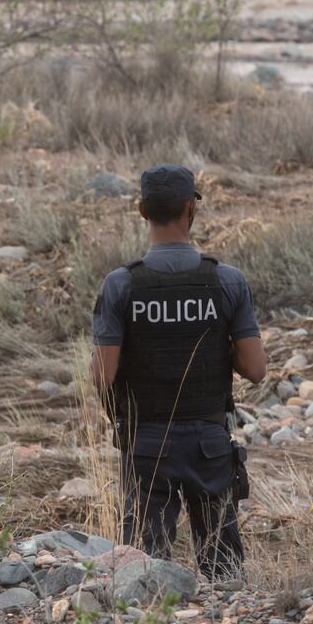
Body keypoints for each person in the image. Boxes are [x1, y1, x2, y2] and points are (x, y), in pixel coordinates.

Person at [90, 164, 266, 581]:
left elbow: (101, 376)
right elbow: (255, 369)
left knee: (144, 576)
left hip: (147, 444)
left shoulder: (121, 285)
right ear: (192, 208)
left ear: (140, 209)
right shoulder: (226, 280)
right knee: (224, 575)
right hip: (209, 442)